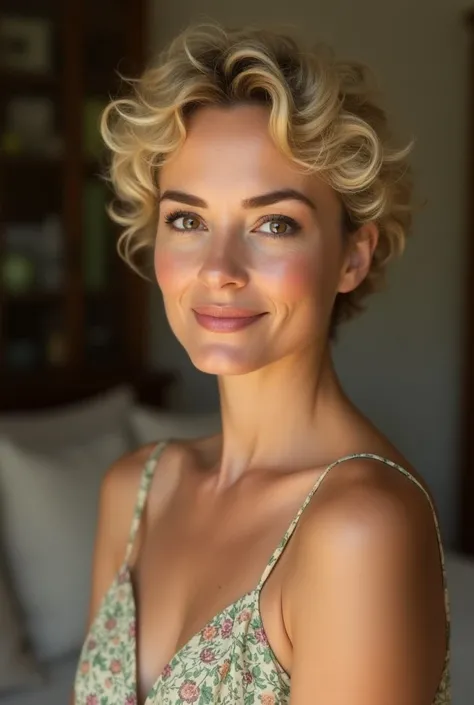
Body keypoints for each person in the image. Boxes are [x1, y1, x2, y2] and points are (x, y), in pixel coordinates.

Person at [72, 22, 450, 705]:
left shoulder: (362, 526)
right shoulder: (133, 491)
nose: (218, 270)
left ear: (352, 256)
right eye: (187, 220)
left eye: (273, 223)